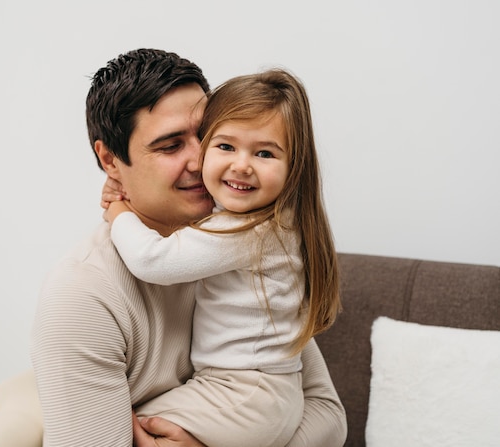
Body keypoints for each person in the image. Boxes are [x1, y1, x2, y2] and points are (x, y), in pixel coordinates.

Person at [30, 48, 347, 447]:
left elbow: (328, 416)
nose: (201, 160)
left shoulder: (242, 243)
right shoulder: (83, 298)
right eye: (169, 145)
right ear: (110, 160)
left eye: (206, 135)